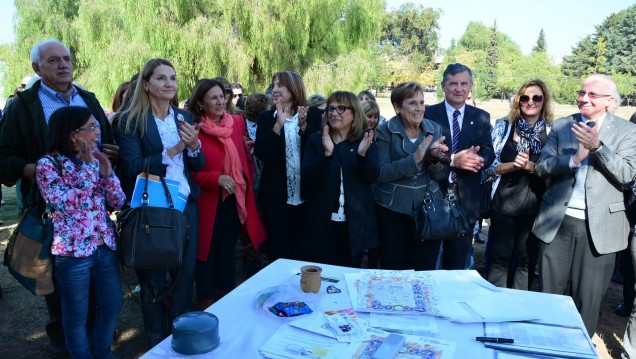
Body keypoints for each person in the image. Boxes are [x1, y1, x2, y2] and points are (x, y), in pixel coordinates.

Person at [0, 39, 118, 357]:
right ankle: (65, 338)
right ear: (37, 68)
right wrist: (38, 171)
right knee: (61, 287)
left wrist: (108, 154)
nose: (63, 64)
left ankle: (96, 340)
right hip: (49, 210)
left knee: (100, 286)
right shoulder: (22, 106)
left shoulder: (88, 98)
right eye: (53, 60)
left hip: (95, 214)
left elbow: (107, 141)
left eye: (66, 58)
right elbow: (4, 159)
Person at [532, 74, 636, 337]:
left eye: (592, 95)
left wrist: (597, 147)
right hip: (557, 223)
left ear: (610, 100)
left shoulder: (627, 131)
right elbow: (543, 167)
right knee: (548, 298)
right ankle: (544, 347)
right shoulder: (563, 126)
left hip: (600, 229)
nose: (583, 98)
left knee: (586, 303)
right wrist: (574, 159)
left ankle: (577, 349)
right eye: (581, 93)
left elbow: (627, 174)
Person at [114, 58, 205, 346]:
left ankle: (180, 333)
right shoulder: (130, 121)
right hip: (151, 208)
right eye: (162, 78)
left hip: (185, 205)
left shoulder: (184, 118)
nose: (169, 84)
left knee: (185, 272)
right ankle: (156, 338)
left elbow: (198, 164)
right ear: (146, 84)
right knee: (152, 277)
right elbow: (130, 167)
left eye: (173, 78)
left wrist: (193, 148)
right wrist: (174, 149)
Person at [36, 106, 125, 359]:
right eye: (92, 127)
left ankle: (102, 353)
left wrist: (108, 175)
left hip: (104, 247)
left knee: (112, 304)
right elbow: (68, 204)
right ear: (74, 134)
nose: (98, 132)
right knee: (76, 315)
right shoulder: (48, 165)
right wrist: (89, 169)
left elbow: (118, 201)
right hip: (73, 253)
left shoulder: (97, 159)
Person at [188, 79, 266, 308]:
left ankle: (227, 299)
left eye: (222, 96)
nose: (220, 101)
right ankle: (206, 299)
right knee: (206, 252)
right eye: (213, 97)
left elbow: (245, 156)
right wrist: (216, 178)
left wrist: (246, 181)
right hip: (207, 202)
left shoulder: (237, 123)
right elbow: (189, 172)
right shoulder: (194, 129)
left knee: (227, 250)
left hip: (235, 199)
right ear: (200, 103)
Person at [484, 79, 553, 289]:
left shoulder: (552, 131)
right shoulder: (504, 126)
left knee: (526, 262)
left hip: (536, 207)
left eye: (536, 97)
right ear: (518, 101)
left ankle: (519, 307)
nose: (530, 102)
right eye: (525, 97)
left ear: (544, 101)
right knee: (499, 259)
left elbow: (555, 170)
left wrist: (532, 166)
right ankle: (495, 305)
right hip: (504, 204)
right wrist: (512, 166)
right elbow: (488, 167)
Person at [374, 81, 449, 270]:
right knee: (394, 267)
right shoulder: (384, 131)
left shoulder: (434, 129)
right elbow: (381, 173)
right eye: (412, 103)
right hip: (392, 210)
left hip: (428, 210)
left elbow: (440, 175)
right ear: (397, 107)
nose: (419, 109)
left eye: (422, 103)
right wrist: (414, 158)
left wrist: (434, 160)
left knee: (424, 267)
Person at [426, 63, 494, 270]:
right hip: (432, 197)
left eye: (464, 84)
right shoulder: (428, 113)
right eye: (453, 83)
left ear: (471, 86)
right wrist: (454, 159)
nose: (459, 88)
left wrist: (475, 160)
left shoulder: (481, 117)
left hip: (466, 199)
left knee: (457, 263)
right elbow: (424, 148)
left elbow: (488, 152)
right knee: (429, 261)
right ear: (443, 86)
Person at [301, 91, 379, 266]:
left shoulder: (365, 141)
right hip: (322, 226)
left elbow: (373, 176)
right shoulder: (316, 140)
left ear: (354, 113)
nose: (334, 113)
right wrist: (327, 154)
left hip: (354, 228)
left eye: (341, 108)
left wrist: (362, 156)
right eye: (331, 108)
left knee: (349, 280)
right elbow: (307, 179)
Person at [254, 71, 322, 262]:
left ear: (294, 88)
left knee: (303, 251)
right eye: (273, 85)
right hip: (276, 197)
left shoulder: (313, 114)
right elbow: (261, 153)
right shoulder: (267, 118)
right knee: (278, 251)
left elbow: (319, 152)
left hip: (306, 196)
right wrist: (277, 127)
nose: (274, 89)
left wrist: (304, 128)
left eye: (280, 85)